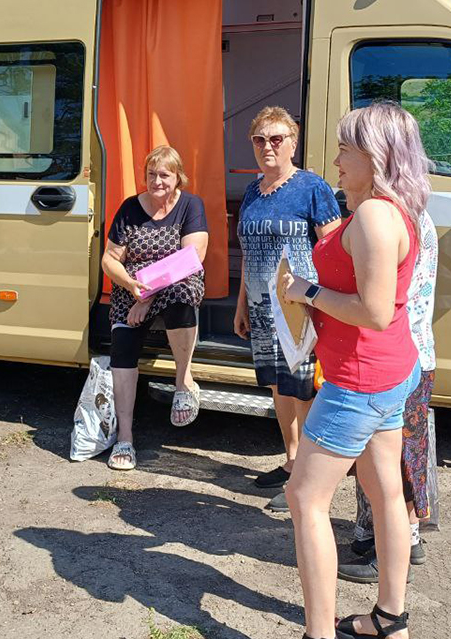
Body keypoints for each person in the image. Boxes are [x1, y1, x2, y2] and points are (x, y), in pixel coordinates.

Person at [282, 101, 432, 639]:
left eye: (347, 148)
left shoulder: (372, 215)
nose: (338, 158)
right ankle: (390, 619)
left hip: (359, 380)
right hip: (392, 373)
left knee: (305, 498)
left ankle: (317, 633)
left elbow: (371, 310)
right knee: (385, 490)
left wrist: (308, 293)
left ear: (377, 155)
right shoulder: (396, 208)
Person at [233, 106, 340, 501]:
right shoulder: (251, 191)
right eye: (260, 140)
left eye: (276, 138)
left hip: (300, 311)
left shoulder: (312, 187)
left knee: (304, 390)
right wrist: (242, 304)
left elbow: (332, 250)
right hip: (262, 307)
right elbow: (247, 252)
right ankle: (292, 461)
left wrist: (324, 301)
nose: (268, 147)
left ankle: (309, 480)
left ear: (293, 142)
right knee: (278, 386)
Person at [340, 195, 439, 584]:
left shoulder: (388, 216)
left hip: (397, 353)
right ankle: (392, 539)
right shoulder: (412, 213)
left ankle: (392, 551)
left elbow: (377, 300)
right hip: (414, 350)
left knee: (395, 461)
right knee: (397, 454)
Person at [101, 145, 209, 471]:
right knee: (122, 349)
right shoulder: (130, 208)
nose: (157, 180)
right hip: (133, 289)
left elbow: (192, 258)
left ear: (177, 178)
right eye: (151, 174)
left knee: (182, 297)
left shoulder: (191, 204)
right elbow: (109, 259)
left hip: (170, 283)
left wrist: (146, 298)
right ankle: (125, 438)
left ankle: (183, 382)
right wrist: (133, 288)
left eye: (164, 174)